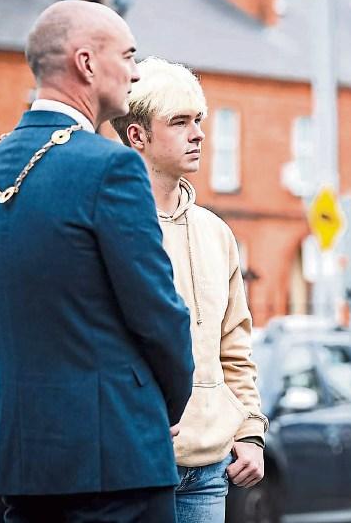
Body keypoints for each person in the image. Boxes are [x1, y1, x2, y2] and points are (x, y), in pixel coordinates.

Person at [0, 1, 194, 522]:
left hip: (24, 459)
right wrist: (163, 407)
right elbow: (160, 314)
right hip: (117, 461)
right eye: (129, 55)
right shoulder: (110, 166)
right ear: (86, 64)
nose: (136, 71)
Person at [111, 57, 268, 523]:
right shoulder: (110, 225)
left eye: (198, 119)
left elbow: (234, 345)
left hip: (210, 471)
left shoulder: (215, 232)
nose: (199, 133)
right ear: (137, 135)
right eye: (179, 122)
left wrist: (250, 432)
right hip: (135, 464)